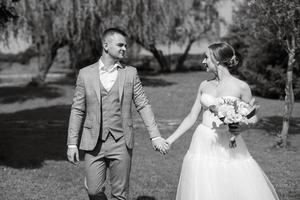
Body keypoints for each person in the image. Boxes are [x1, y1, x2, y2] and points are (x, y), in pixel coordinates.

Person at [166, 42, 280, 200]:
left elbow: (253, 116)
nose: (203, 61)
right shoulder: (204, 85)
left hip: (229, 144)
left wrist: (241, 127)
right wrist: (169, 140)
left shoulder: (241, 86)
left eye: (206, 57)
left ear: (217, 59)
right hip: (203, 143)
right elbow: (191, 117)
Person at [67, 28, 168, 200]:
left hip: (121, 141)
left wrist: (155, 136)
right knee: (93, 190)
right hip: (93, 142)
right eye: (120, 45)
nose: (124, 49)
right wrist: (72, 144)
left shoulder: (130, 73)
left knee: (120, 194)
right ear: (106, 45)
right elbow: (77, 109)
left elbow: (143, 104)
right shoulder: (85, 74)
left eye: (125, 46)